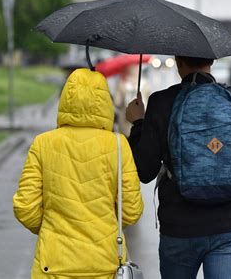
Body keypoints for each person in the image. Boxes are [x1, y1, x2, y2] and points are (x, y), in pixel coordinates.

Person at [125, 56, 231, 279]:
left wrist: (138, 124)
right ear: (212, 59)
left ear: (178, 62)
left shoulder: (161, 103)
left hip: (179, 228)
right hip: (229, 228)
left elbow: (144, 171)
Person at [13, 68, 144, 279]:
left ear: (65, 99)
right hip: (104, 264)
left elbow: (24, 207)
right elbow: (131, 210)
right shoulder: (118, 145)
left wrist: (50, 229)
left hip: (54, 263)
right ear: (104, 101)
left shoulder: (43, 143)